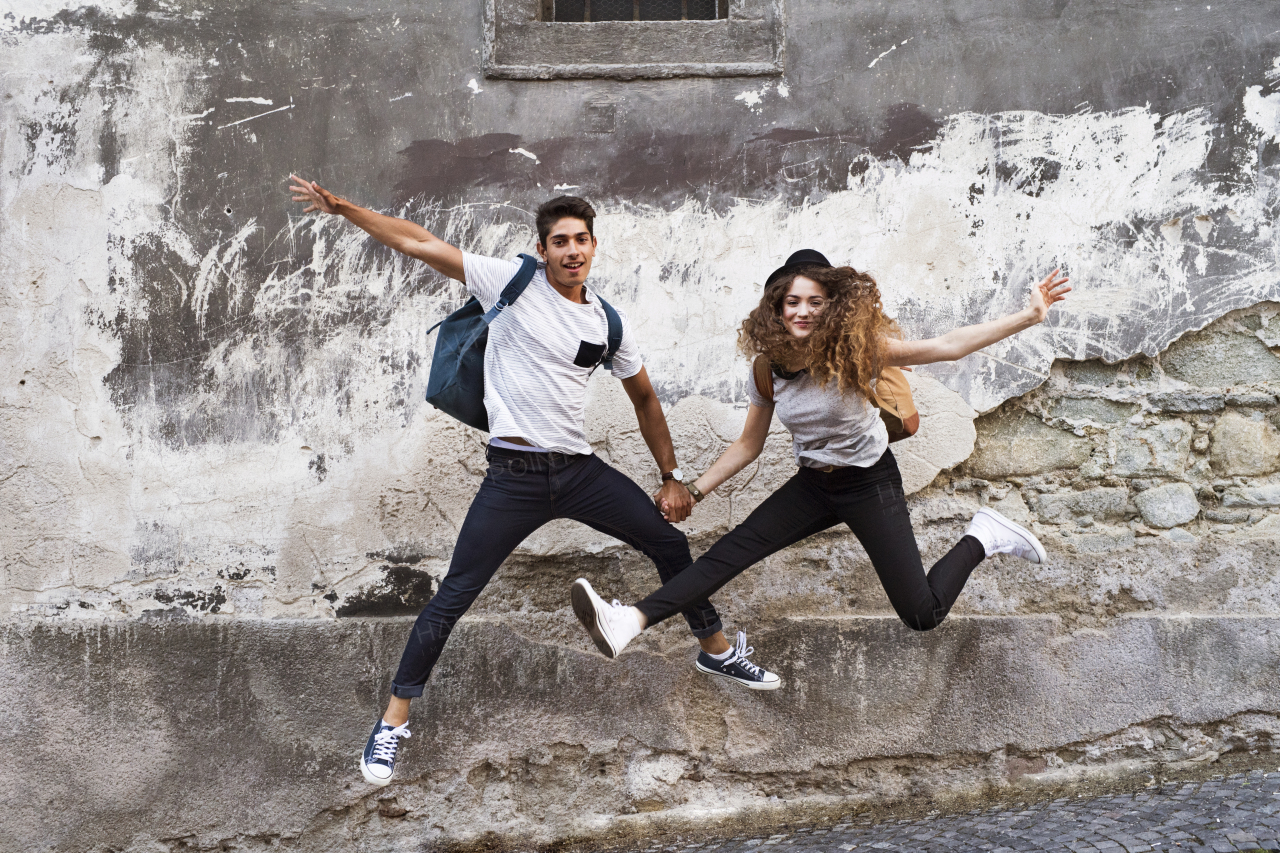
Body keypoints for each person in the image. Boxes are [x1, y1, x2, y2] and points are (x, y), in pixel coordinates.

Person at [287, 178, 781, 787]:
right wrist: (344, 210)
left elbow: (646, 398)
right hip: (513, 476)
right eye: (559, 241)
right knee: (454, 595)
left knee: (669, 543)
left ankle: (718, 651)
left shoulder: (607, 323)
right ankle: (393, 721)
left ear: (594, 247)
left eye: (581, 240)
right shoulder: (510, 282)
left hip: (577, 471)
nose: (572, 250)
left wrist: (672, 476)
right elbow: (418, 242)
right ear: (542, 249)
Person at [570, 250, 1070, 663]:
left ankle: (982, 536)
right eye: (792, 302)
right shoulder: (767, 368)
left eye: (815, 302)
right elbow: (750, 443)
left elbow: (947, 347)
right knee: (730, 553)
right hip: (814, 484)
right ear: (776, 308)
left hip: (869, 482)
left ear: (832, 307)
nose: (803, 311)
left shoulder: (858, 351)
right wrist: (697, 488)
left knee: (922, 613)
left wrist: (1028, 315)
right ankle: (629, 619)